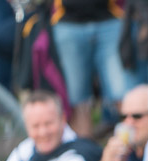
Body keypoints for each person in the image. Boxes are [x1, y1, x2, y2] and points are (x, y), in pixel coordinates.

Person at [51, 0, 138, 136]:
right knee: (78, 100)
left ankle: (135, 152)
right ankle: (84, 153)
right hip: (67, 20)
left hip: (111, 17)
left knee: (124, 94)